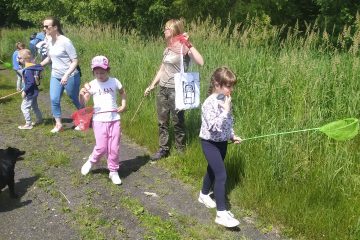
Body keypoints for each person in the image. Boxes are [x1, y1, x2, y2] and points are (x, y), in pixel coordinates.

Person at [144, 18, 204, 160]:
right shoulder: (167, 49)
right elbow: (162, 69)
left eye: (167, 28)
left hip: (176, 90)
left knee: (178, 122)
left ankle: (180, 150)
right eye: (165, 28)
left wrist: (188, 43)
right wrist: (152, 85)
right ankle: (163, 149)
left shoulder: (184, 48)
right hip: (163, 89)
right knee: (162, 121)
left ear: (175, 31)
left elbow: (201, 62)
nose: (164, 31)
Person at [197, 67, 242, 228]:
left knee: (213, 169)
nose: (231, 89)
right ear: (217, 84)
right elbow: (214, 127)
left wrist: (232, 135)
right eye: (228, 86)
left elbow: (228, 123)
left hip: (222, 142)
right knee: (221, 175)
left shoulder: (225, 99)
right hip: (209, 143)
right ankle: (221, 214)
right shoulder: (209, 103)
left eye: (232, 86)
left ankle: (203, 195)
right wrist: (225, 111)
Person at [79, 56, 126, 185]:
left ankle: (113, 171)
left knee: (114, 147)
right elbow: (83, 102)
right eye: (97, 72)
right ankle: (91, 161)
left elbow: (122, 92)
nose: (100, 75)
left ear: (108, 70)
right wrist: (81, 94)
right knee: (101, 147)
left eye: (102, 72)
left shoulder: (114, 81)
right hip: (99, 120)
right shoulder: (92, 85)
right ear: (93, 72)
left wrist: (123, 104)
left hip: (114, 119)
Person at [40, 16, 82, 133]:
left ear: (55, 27)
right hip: (56, 74)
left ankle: (83, 119)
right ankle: (58, 124)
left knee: (73, 98)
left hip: (71, 75)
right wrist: (38, 66)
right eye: (43, 26)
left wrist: (66, 75)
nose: (44, 28)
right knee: (54, 99)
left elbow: (75, 61)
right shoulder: (48, 40)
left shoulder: (65, 41)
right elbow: (49, 57)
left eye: (46, 26)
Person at [17, 49, 43, 130]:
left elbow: (30, 82)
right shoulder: (31, 66)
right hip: (34, 91)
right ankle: (40, 120)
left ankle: (28, 124)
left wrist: (25, 91)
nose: (17, 59)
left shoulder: (28, 70)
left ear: (23, 59)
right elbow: (30, 82)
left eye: (19, 57)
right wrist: (24, 88)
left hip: (30, 93)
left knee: (24, 107)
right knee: (34, 107)